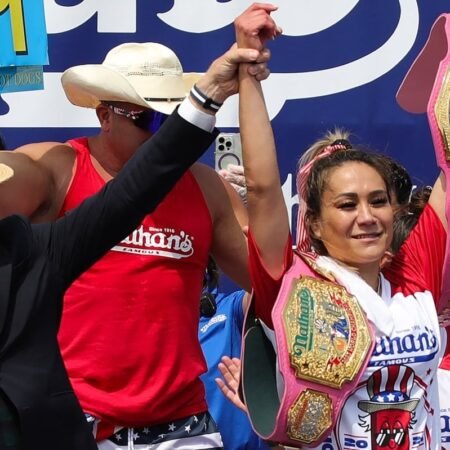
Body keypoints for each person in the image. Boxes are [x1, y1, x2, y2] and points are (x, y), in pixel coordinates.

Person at [0, 40, 270, 449]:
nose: (166, 133)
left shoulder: (206, 188)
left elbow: (270, 281)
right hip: (73, 425)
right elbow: (10, 177)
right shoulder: (57, 170)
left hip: (180, 427)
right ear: (104, 115)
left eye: (173, 117)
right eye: (151, 119)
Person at [233, 4, 447, 449]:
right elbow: (261, 188)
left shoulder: (414, 276)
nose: (367, 217)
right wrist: (248, 73)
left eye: (378, 201)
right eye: (347, 205)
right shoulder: (293, 288)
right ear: (312, 219)